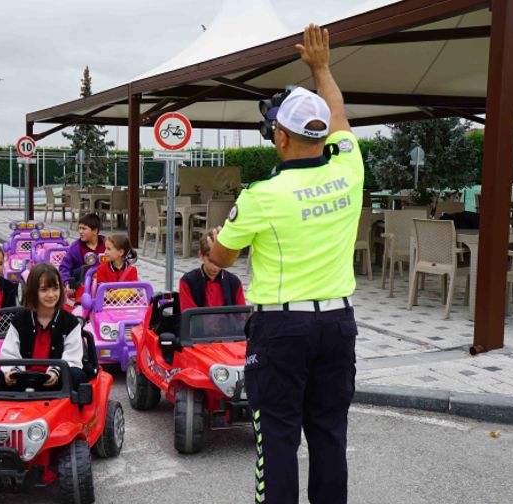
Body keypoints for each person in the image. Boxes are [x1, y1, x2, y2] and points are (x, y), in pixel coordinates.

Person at [207, 25, 364, 504]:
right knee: (329, 432)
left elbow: (220, 259)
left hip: (281, 329)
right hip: (338, 324)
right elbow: (337, 113)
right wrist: (321, 67)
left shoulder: (261, 195)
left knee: (276, 435)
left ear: (280, 137)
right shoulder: (348, 168)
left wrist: (214, 243)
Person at [0, 263, 87, 390]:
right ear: (33, 291)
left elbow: (72, 357)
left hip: (56, 380)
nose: (51, 295)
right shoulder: (20, 319)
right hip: (23, 378)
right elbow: (10, 352)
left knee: (77, 375)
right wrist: (12, 371)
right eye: (44, 290)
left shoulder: (70, 322)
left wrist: (55, 372)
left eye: (55, 289)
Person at [179, 232, 246, 310]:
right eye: (211, 260)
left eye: (220, 260)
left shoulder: (234, 282)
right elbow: (189, 316)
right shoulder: (187, 281)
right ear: (201, 255)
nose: (215, 267)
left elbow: (242, 315)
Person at [59, 213, 106, 298]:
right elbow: (64, 267)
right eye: (79, 228)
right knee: (82, 270)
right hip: (82, 282)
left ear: (95, 231)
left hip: (104, 281)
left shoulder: (106, 244)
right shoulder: (75, 247)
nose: (80, 232)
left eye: (84, 229)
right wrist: (67, 283)